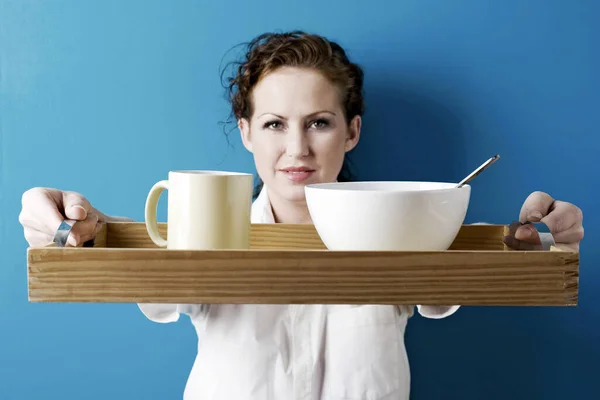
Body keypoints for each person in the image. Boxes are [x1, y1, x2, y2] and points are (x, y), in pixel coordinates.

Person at [18, 31, 584, 400]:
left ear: (352, 131)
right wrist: (74, 231)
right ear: (245, 133)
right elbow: (155, 290)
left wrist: (537, 240)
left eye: (318, 122)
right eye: (272, 124)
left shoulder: (409, 227)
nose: (297, 150)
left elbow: (456, 285)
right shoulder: (204, 230)